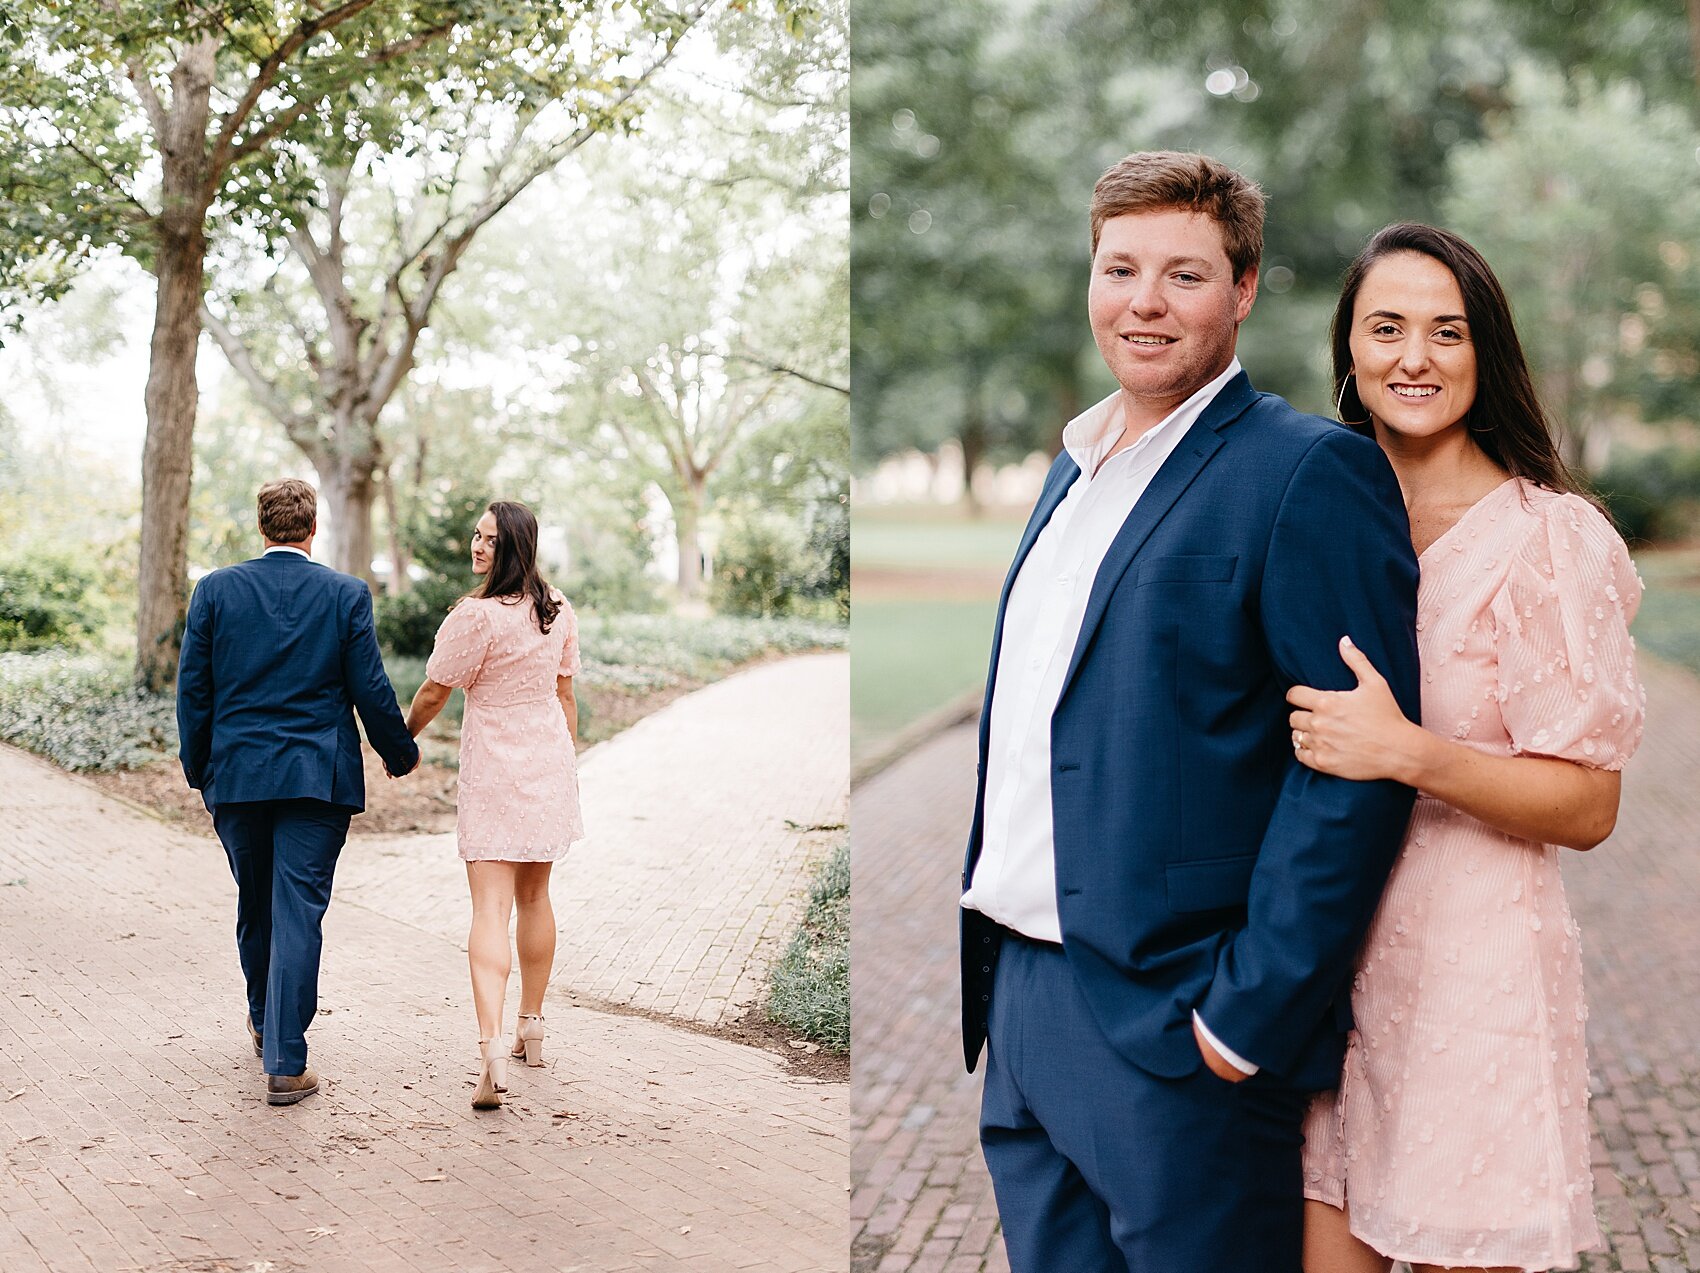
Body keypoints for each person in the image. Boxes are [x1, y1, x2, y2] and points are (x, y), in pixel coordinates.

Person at [959, 150, 1423, 1272]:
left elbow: (1353, 763)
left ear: (1244, 288)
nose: (1144, 302)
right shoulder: (1070, 467)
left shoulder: (1305, 471)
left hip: (1178, 1023)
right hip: (1021, 999)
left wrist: (1241, 1016)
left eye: (1184, 274)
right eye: (1119, 268)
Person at [1295, 223, 1646, 1273]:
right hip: (1320, 973)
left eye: (1445, 332)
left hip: (1469, 982)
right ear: (1347, 352)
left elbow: (1587, 808)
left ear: (1482, 351)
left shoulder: (1548, 539)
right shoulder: (1307, 510)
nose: (1414, 356)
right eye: (1386, 327)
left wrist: (1408, 753)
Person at [177, 478, 420, 1106]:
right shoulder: (344, 594)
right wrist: (399, 752)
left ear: (262, 527)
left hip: (238, 776)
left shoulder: (216, 591)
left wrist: (200, 766)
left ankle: (266, 1022)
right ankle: (285, 1054)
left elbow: (194, 692)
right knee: (298, 909)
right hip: (317, 778)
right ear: (313, 529)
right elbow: (369, 685)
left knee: (257, 903)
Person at [404, 500, 584, 1111]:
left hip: (496, 771)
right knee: (536, 897)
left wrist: (402, 737)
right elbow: (565, 692)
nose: (476, 546)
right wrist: (567, 758)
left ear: (511, 546)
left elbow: (434, 691)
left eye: (487, 539)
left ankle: (491, 1044)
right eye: (474, 536)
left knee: (491, 906)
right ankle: (531, 1027)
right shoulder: (556, 609)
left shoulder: (474, 617)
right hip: (546, 762)